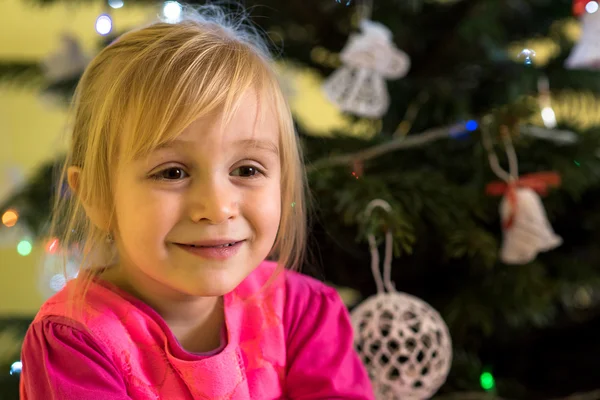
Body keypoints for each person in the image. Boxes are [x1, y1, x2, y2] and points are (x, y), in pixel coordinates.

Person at [19, 4, 374, 399]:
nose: (218, 207)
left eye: (247, 170)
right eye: (172, 172)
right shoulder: (77, 342)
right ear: (96, 196)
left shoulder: (303, 313)